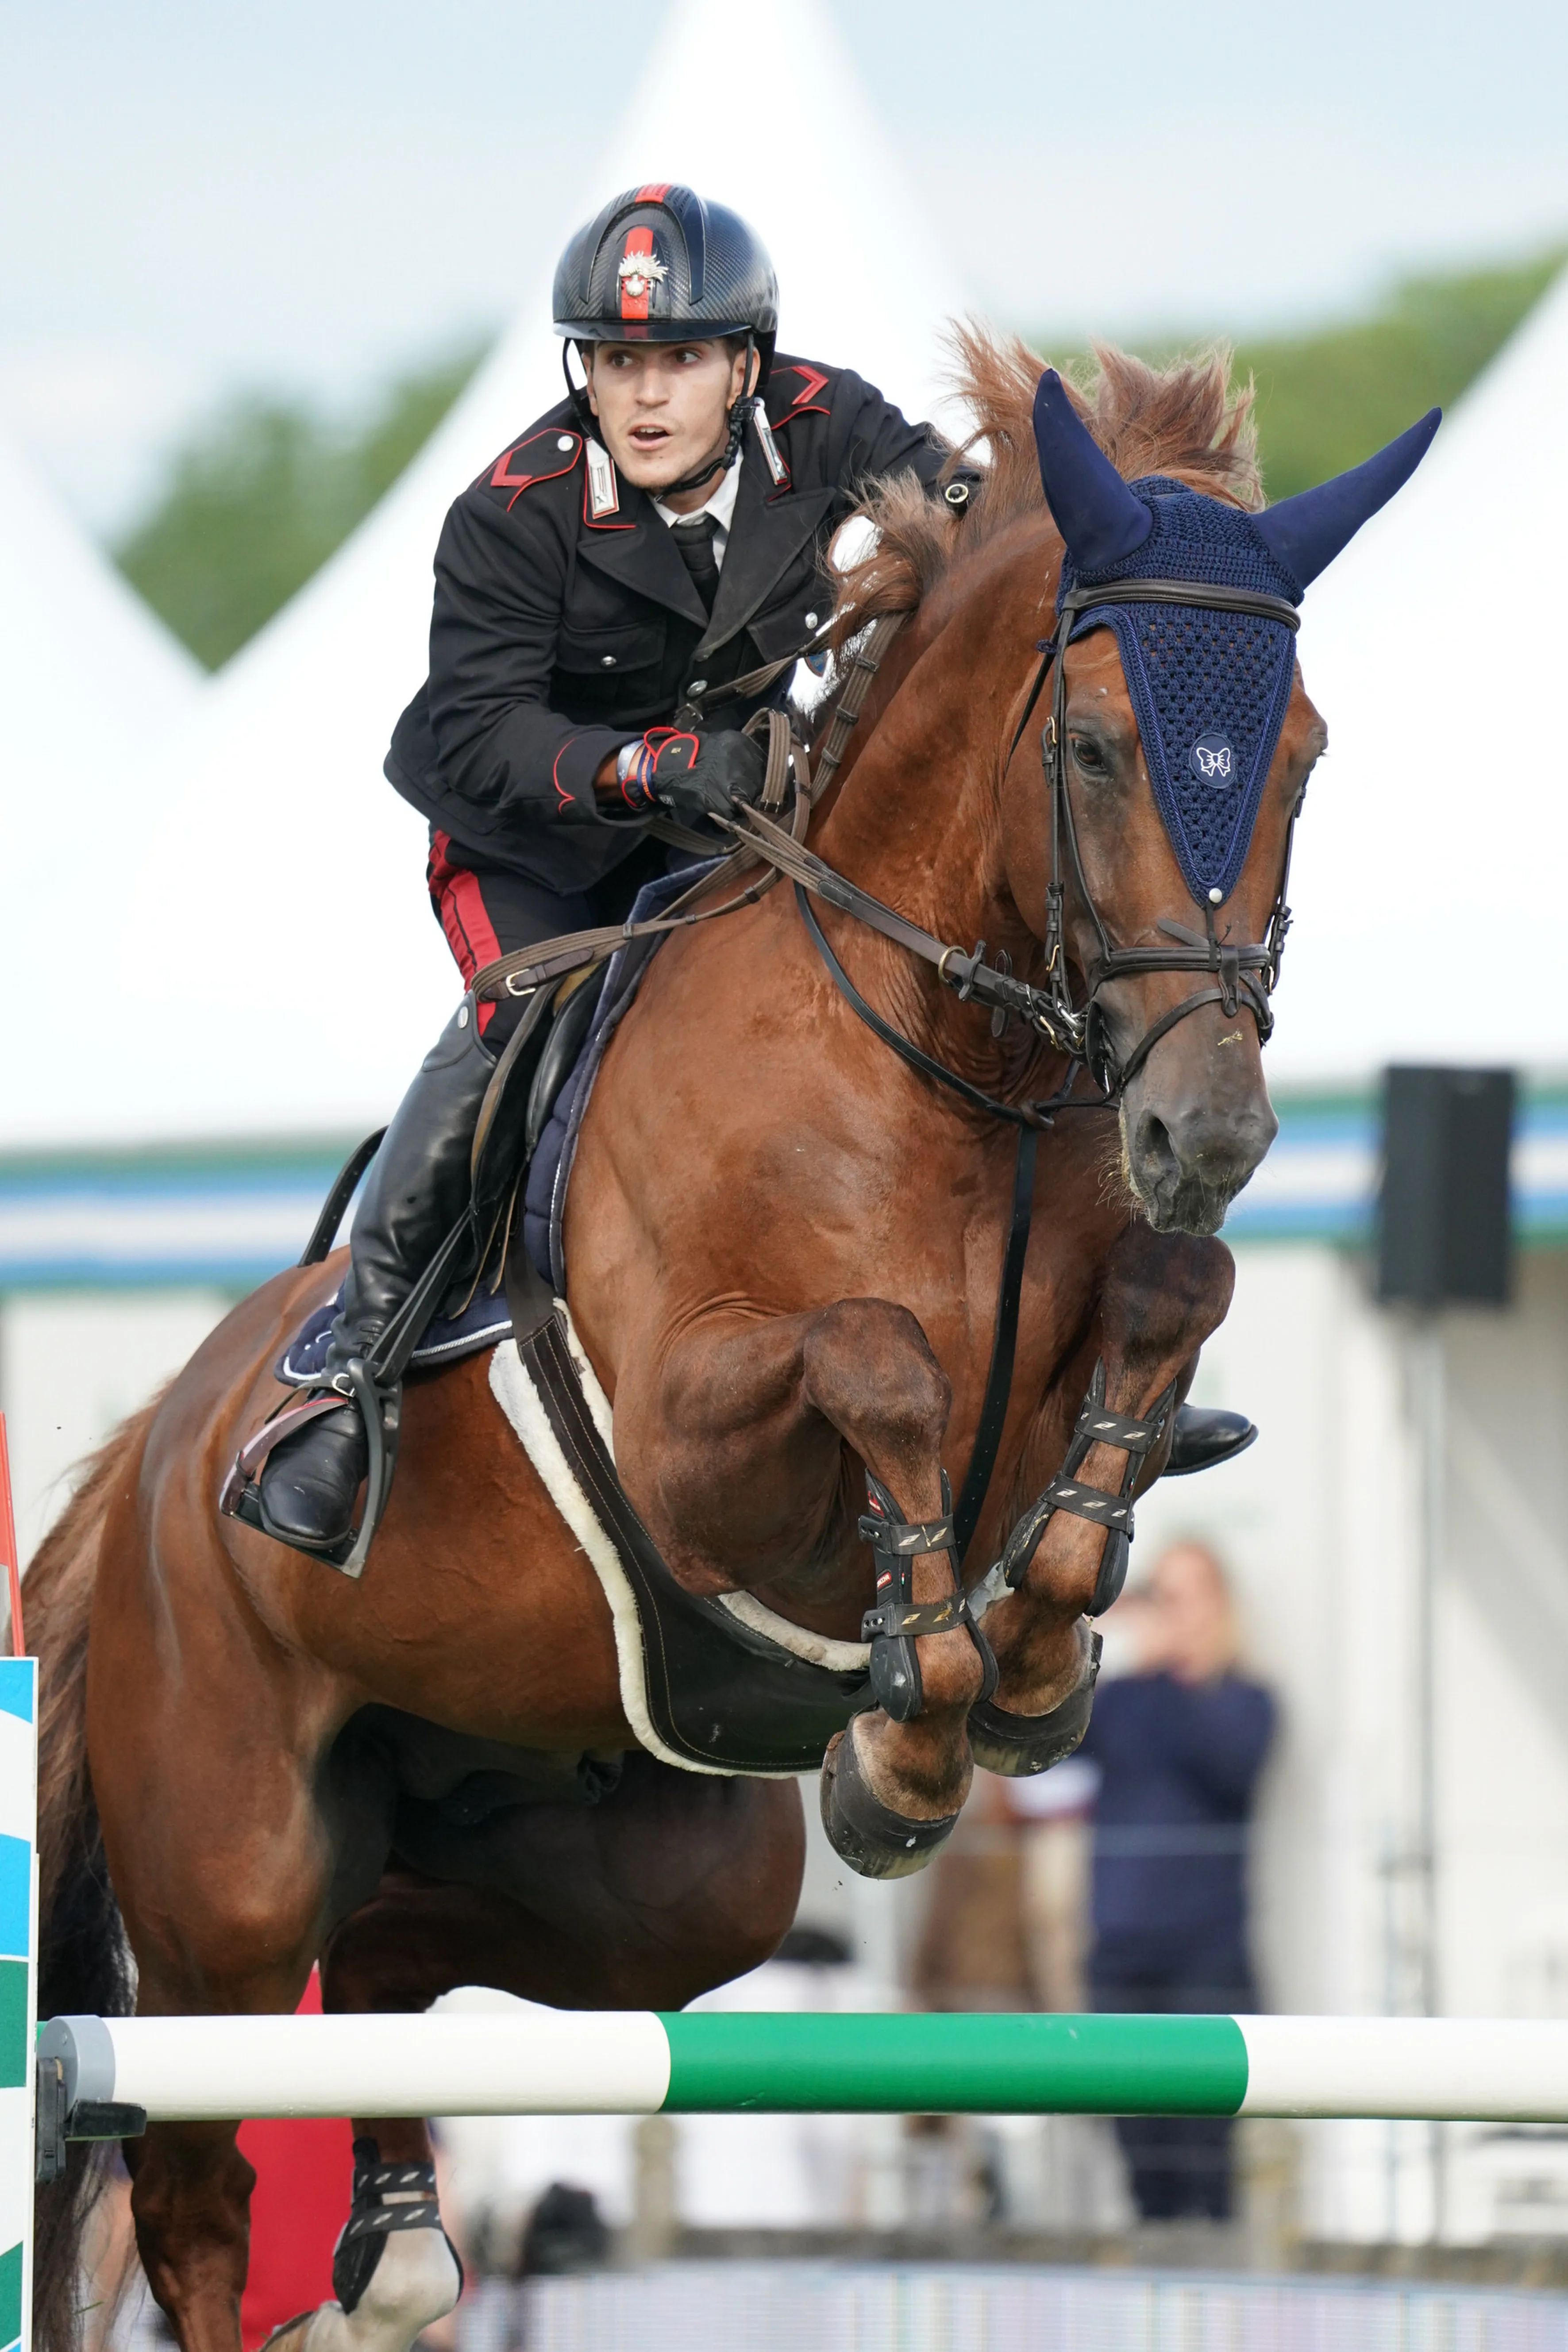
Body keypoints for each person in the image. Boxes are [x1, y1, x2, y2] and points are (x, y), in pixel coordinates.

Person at [255, 182, 1256, 1559]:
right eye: (614, 362)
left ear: (745, 362)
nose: (645, 395)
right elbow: (480, 734)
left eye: (675, 360)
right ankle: (357, 1365)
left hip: (722, 833)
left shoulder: (819, 420)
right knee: (515, 1026)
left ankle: (1091, 1366)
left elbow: (971, 520)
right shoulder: (510, 515)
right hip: (529, 840)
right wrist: (653, 767)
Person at [1082, 1540, 1275, 2223]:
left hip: (1206, 1959)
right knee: (1141, 2157)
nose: (1167, 1613)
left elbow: (1230, 1765)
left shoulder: (1246, 1701)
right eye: (1159, 1595)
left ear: (1219, 1603)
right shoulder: (1125, 1700)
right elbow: (1049, 1751)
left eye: (1182, 1596)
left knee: (1205, 2156)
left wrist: (1167, 1673)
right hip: (1121, 1954)